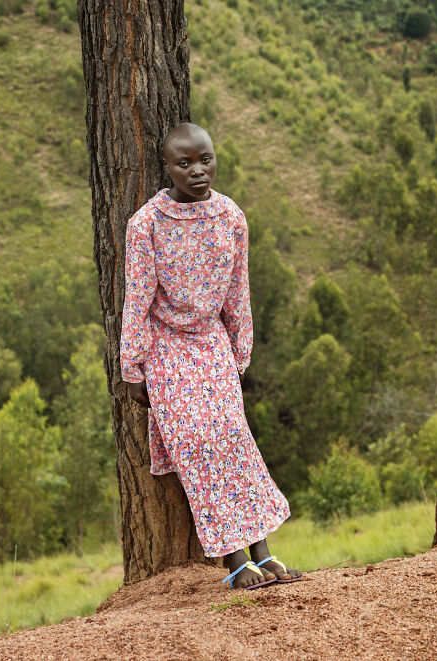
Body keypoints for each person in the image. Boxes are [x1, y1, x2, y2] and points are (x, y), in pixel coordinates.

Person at [120, 123, 302, 589]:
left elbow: (238, 291)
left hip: (212, 344)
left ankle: (264, 554)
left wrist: (241, 350)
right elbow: (137, 299)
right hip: (166, 351)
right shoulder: (146, 225)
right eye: (184, 163)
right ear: (166, 168)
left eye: (206, 159)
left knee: (233, 440)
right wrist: (132, 366)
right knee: (199, 449)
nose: (198, 171)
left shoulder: (231, 217)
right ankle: (236, 563)